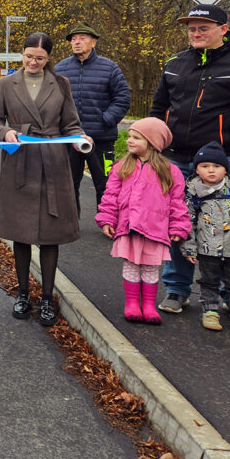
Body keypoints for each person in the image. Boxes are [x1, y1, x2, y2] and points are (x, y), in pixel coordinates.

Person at [149, 4, 230, 314]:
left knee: (227, 232)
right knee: (178, 227)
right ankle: (177, 290)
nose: (196, 33)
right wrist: (153, 150)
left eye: (203, 28)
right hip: (176, 160)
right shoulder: (174, 64)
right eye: (192, 28)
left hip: (223, 164)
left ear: (223, 29)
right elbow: (158, 112)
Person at [0, 32, 89, 327]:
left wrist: (78, 138)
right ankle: (22, 293)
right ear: (23, 53)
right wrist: (5, 133)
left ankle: (46, 297)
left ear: (48, 59)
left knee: (49, 235)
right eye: (29, 56)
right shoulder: (6, 83)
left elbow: (71, 123)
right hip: (18, 162)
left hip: (52, 166)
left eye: (40, 58)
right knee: (20, 233)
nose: (33, 62)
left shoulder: (61, 84)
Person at [94, 118, 190, 325]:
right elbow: (110, 195)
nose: (129, 140)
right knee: (131, 264)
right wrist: (107, 219)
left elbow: (178, 201)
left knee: (150, 267)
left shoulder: (170, 171)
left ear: (152, 142)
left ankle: (148, 305)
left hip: (154, 229)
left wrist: (178, 226)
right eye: (129, 136)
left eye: (136, 137)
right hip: (129, 227)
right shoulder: (123, 166)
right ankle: (131, 304)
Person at [55, 24, 131, 215]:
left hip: (101, 139)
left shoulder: (109, 68)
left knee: (106, 182)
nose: (77, 42)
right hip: (69, 139)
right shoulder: (60, 69)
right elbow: (51, 99)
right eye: (73, 39)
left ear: (94, 42)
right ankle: (69, 221)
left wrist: (106, 119)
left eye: (82, 38)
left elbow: (122, 98)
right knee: (68, 182)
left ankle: (107, 220)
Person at [181, 142, 230, 336]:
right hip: (207, 250)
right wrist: (189, 248)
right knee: (208, 281)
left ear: (225, 169)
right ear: (196, 169)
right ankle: (210, 310)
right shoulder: (193, 194)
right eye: (205, 166)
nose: (211, 171)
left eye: (217, 166)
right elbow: (188, 223)